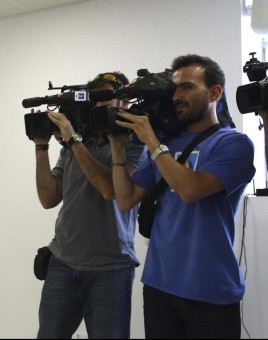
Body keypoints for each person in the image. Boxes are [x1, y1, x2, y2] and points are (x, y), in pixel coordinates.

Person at [109, 54, 255, 339]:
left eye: (187, 87)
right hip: (159, 286)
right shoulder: (166, 145)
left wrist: (152, 141)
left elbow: (191, 190)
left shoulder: (233, 143)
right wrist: (117, 146)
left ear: (214, 92)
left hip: (211, 291)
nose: (177, 96)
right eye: (174, 88)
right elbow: (125, 200)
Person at [33, 72, 147, 339]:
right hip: (62, 262)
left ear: (124, 104)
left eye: (104, 101)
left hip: (111, 268)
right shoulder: (73, 145)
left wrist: (73, 140)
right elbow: (48, 199)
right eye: (92, 102)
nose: (96, 108)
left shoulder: (134, 144)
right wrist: (41, 147)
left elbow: (110, 190)